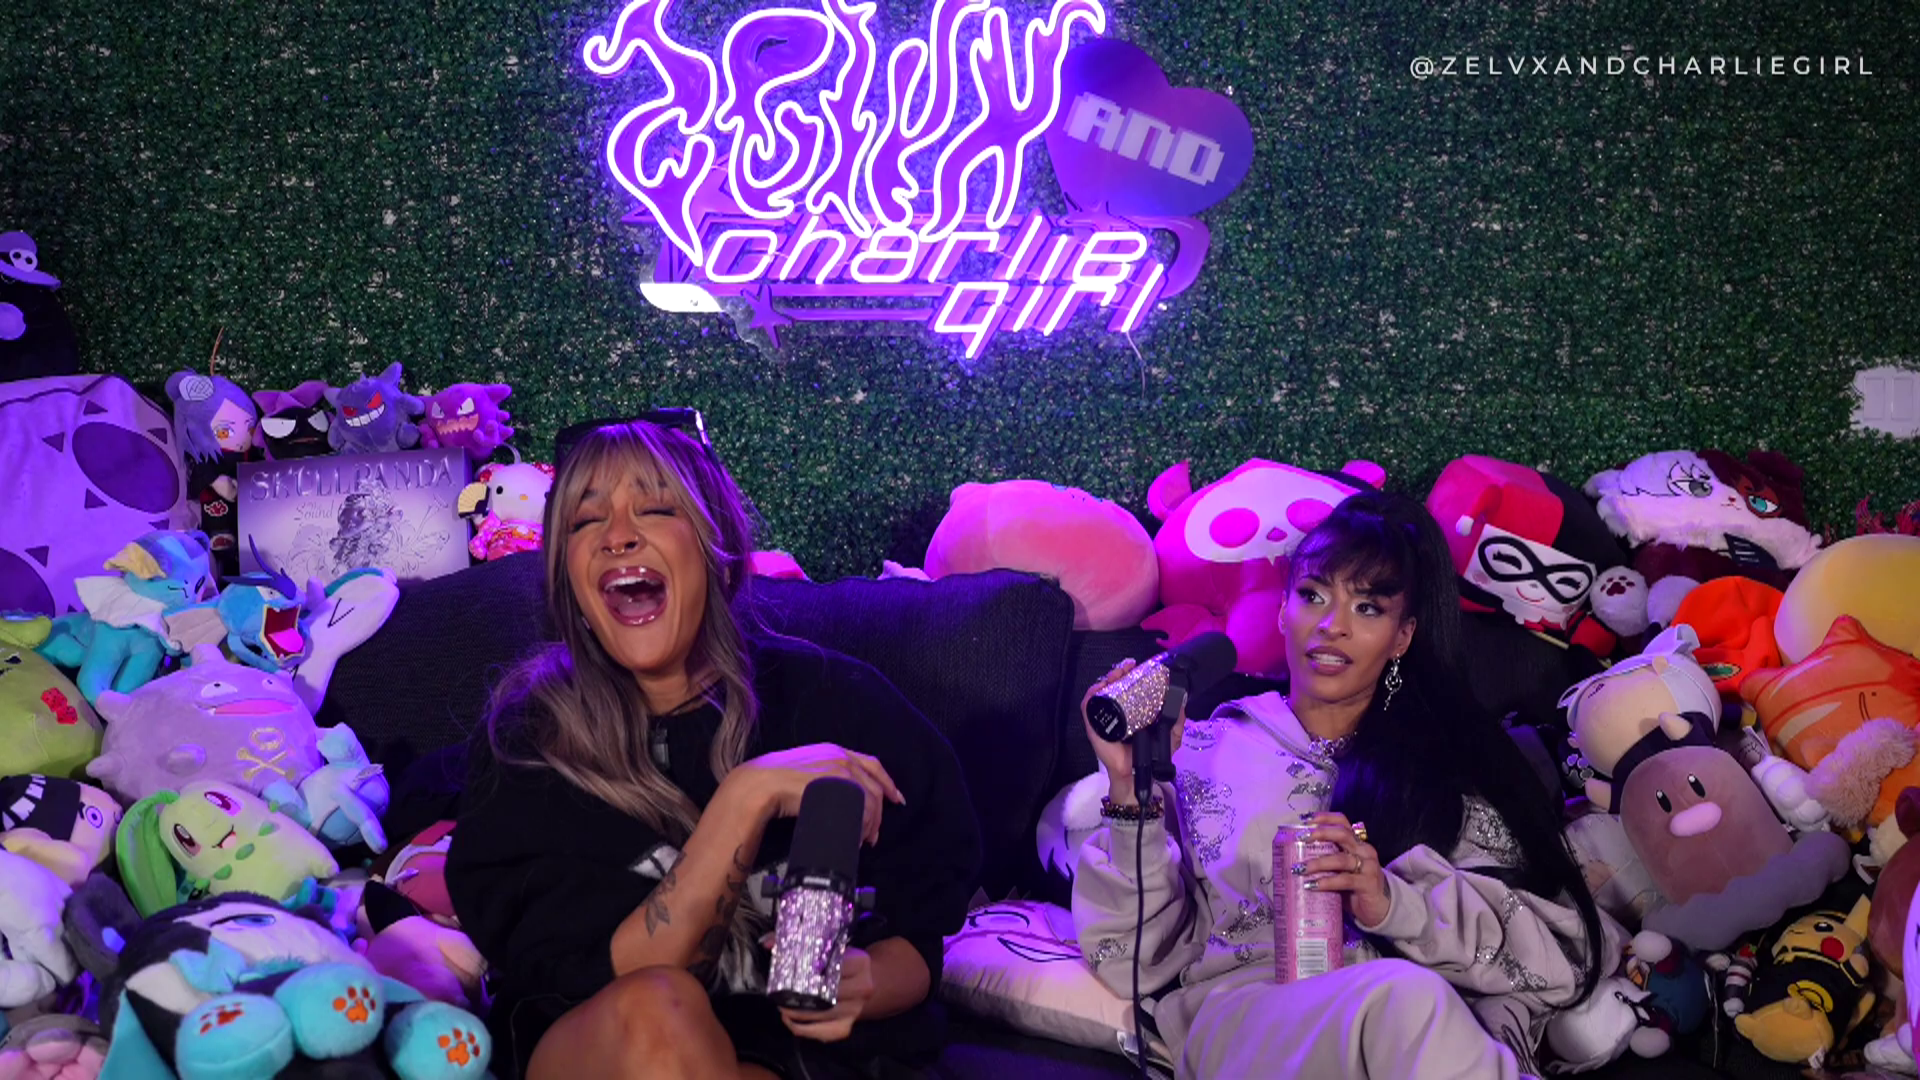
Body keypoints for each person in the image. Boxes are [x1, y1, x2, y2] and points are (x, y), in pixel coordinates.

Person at [446, 418, 982, 1080]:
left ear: (715, 546)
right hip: (604, 1047)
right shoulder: (530, 741)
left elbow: (923, 938)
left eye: (656, 509)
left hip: (795, 1059)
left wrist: (870, 982)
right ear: (568, 579)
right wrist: (748, 797)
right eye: (586, 521)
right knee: (659, 1012)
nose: (618, 535)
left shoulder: (840, 703)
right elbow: (631, 986)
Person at [1072, 491, 1624, 1079]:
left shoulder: (1442, 772)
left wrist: (1391, 902)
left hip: (1408, 1045)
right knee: (1405, 1000)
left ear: (1402, 637)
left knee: (1410, 1002)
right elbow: (1130, 958)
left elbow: (1566, 960)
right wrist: (1127, 791)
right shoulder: (1197, 752)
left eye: (1367, 608)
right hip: (1251, 1028)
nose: (1332, 627)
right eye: (1313, 596)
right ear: (1282, 610)